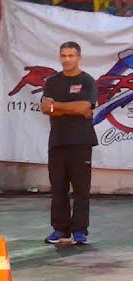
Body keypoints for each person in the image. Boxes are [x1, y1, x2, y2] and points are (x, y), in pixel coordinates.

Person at [40, 41, 97, 245]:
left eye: (71, 56)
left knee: (81, 188)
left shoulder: (88, 81)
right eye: (63, 56)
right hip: (57, 142)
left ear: (79, 58)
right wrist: (67, 108)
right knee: (58, 187)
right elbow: (45, 108)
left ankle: (80, 230)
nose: (67, 59)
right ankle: (60, 230)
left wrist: (58, 106)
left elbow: (84, 107)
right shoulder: (52, 81)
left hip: (81, 142)